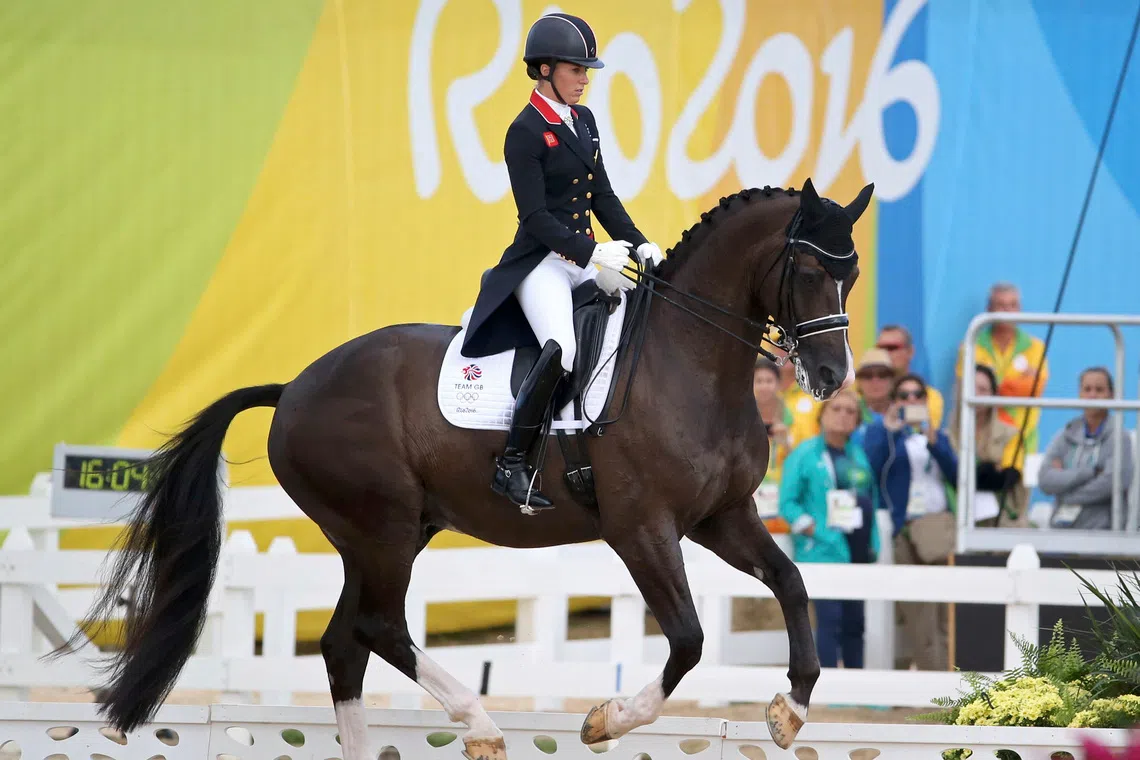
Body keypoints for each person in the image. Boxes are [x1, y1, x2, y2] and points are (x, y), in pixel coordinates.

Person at [458, 13, 664, 511]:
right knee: (563, 349)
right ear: (545, 69)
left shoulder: (585, 121)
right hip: (542, 264)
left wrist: (638, 243)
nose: (585, 80)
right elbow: (534, 218)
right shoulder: (525, 132)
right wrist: (592, 252)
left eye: (587, 71)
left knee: (639, 318)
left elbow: (603, 196)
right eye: (577, 70)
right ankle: (512, 464)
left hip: (585, 256)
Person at [778, 388, 879, 670]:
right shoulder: (804, 453)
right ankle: (830, 687)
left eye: (850, 412)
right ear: (822, 415)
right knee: (830, 618)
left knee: (855, 621)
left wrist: (875, 543)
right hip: (820, 549)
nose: (843, 416)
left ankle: (857, 685)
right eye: (836, 409)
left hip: (857, 550)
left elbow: (870, 500)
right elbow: (788, 503)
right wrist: (811, 529)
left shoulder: (859, 456)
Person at [864, 373, 958, 671]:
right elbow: (870, 470)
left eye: (918, 395)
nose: (911, 400)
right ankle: (935, 682)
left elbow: (958, 476)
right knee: (919, 612)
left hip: (938, 529)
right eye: (904, 396)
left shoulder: (938, 436)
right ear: (894, 402)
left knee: (946, 610)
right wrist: (889, 432)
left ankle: (949, 679)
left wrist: (934, 443)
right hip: (905, 529)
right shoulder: (880, 433)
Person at [1037, 367, 1135, 531]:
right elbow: (1045, 479)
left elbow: (1112, 483)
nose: (1092, 395)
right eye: (1087, 389)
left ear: (1111, 395)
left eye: (1099, 389)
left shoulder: (1120, 437)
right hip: (1061, 530)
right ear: (1079, 394)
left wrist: (1066, 494)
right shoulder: (1066, 434)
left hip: (1103, 531)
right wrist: (1090, 473)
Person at [949, 364, 1026, 527]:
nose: (975, 395)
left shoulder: (1012, 435)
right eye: (971, 388)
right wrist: (989, 468)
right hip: (955, 518)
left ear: (993, 395)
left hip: (1002, 518)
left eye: (983, 390)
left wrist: (970, 475)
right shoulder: (946, 437)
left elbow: (1007, 479)